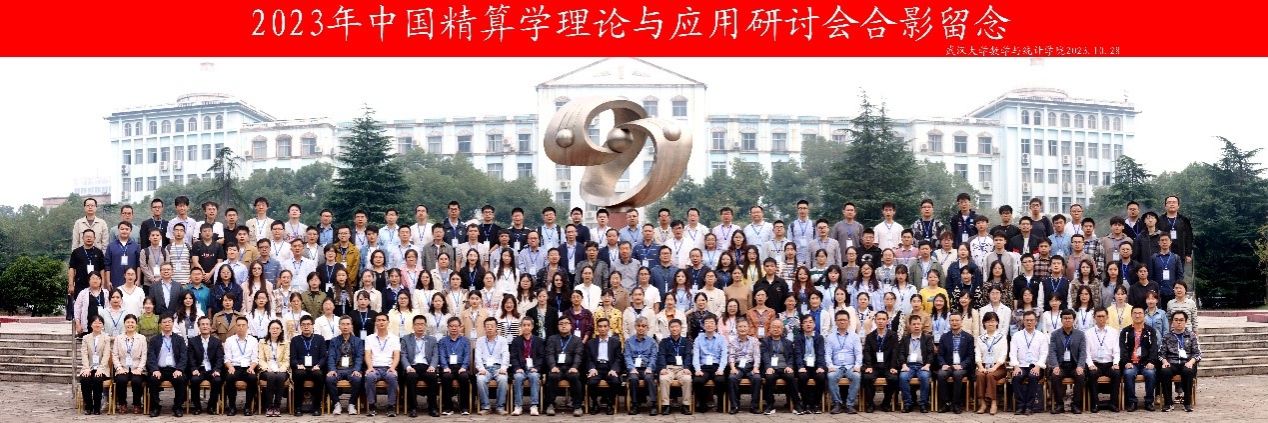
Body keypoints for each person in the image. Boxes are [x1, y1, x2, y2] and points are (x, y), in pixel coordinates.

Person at [1158, 310, 1201, 412]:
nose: (1178, 322)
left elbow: (1198, 354)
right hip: (1172, 363)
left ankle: (1187, 403)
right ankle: (1168, 403)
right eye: (1176, 320)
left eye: (1181, 320)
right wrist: (1164, 362)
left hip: (1187, 363)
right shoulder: (1167, 336)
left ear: (1185, 321)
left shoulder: (1191, 335)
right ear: (1172, 322)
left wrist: (1191, 362)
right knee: (1164, 371)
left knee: (1188, 371)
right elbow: (1161, 353)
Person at [1047, 309, 1088, 414]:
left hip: (1074, 365)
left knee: (1081, 376)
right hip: (1061, 366)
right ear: (1061, 320)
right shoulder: (1055, 334)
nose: (1067, 320)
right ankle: (1059, 404)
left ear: (1074, 320)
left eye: (1070, 318)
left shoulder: (1080, 334)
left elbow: (1083, 352)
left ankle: (1075, 405)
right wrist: (1055, 366)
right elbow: (1052, 351)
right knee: (1055, 376)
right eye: (1065, 318)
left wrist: (1080, 366)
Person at [1119, 306, 1159, 412]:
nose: (1137, 315)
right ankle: (1132, 402)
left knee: (1150, 373)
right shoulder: (1125, 331)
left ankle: (1149, 401)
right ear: (1131, 315)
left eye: (1140, 313)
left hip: (1146, 363)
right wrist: (1126, 362)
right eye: (1135, 313)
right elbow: (1122, 349)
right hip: (1131, 363)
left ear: (1144, 315)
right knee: (1128, 373)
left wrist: (1151, 362)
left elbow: (1154, 348)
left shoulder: (1150, 331)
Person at [400, 314, 440, 417]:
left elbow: (435, 355)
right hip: (412, 366)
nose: (420, 327)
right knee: (411, 377)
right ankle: (413, 408)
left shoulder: (432, 339)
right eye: (417, 324)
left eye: (422, 324)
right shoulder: (406, 339)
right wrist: (408, 367)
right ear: (413, 326)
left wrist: (432, 366)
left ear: (425, 326)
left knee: (432, 377)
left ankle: (432, 408)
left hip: (427, 366)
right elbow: (403, 355)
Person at [1010, 311, 1048, 415]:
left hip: (1035, 366)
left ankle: (1029, 407)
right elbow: (1012, 353)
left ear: (1036, 322)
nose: (1029, 322)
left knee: (1033, 376)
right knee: (1016, 377)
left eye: (1031, 320)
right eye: (1027, 320)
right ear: (1023, 321)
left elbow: (1044, 353)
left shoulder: (1041, 336)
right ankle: (1020, 405)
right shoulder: (1017, 335)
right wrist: (1016, 366)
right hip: (1021, 366)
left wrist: (1038, 366)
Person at [1084, 307, 1121, 412]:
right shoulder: (1088, 333)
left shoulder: (1113, 332)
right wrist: (1090, 364)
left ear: (1107, 317)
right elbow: (1086, 352)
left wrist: (1115, 363)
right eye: (1098, 316)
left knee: (1117, 373)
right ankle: (1095, 404)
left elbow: (1116, 351)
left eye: (1103, 316)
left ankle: (1113, 403)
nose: (1101, 318)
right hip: (1095, 364)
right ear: (1094, 318)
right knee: (1092, 374)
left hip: (1109, 363)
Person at [325, 316, 365, 415]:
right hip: (338, 369)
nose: (345, 327)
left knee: (357, 379)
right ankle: (336, 404)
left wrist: (356, 370)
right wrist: (332, 369)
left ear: (351, 326)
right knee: (329, 379)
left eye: (348, 324)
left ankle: (352, 404)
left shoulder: (358, 341)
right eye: (343, 324)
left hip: (352, 369)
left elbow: (359, 357)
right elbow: (331, 356)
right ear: (339, 327)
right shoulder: (334, 341)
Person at [545, 317, 585, 416]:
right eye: (561, 324)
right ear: (557, 326)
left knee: (575, 376)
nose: (563, 326)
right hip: (557, 367)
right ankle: (550, 404)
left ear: (571, 326)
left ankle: (577, 406)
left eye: (566, 323)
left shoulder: (577, 340)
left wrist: (575, 366)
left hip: (570, 367)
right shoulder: (552, 339)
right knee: (552, 376)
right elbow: (549, 354)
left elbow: (578, 354)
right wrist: (552, 366)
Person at [826, 310, 863, 414]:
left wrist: (857, 365)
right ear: (836, 322)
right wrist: (830, 365)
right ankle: (837, 404)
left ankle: (849, 404)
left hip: (851, 366)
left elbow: (858, 353)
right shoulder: (830, 337)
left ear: (849, 322)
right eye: (839, 320)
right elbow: (827, 354)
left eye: (844, 320)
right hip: (836, 366)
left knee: (856, 376)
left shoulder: (854, 336)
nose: (842, 322)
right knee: (831, 376)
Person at [937, 313, 975, 413]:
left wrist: (962, 365)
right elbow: (940, 355)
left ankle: (956, 403)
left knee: (957, 374)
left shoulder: (968, 337)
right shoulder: (944, 337)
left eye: (957, 320)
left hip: (962, 366)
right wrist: (943, 364)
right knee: (941, 374)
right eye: (952, 320)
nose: (954, 322)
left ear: (961, 322)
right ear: (949, 322)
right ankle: (946, 403)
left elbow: (971, 356)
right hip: (948, 365)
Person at [289, 315, 326, 416]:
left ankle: (316, 407)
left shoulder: (320, 339)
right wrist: (297, 365)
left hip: (315, 367)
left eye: (308, 324)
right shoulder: (295, 340)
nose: (306, 327)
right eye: (303, 325)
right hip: (301, 368)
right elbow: (292, 358)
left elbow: (323, 357)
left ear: (313, 326)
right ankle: (298, 407)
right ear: (300, 326)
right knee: (299, 374)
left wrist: (319, 365)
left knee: (319, 375)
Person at [585, 318, 623, 414]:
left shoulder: (616, 342)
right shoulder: (590, 343)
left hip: (610, 367)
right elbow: (588, 359)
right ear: (597, 328)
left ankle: (610, 403)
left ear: (609, 327)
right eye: (600, 326)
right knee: (591, 382)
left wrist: (614, 369)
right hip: (596, 367)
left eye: (605, 326)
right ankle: (595, 403)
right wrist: (592, 368)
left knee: (615, 381)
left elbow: (618, 358)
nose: (602, 329)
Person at [861, 311, 898, 412]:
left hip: (887, 366)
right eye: (879, 319)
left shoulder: (893, 335)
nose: (881, 321)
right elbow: (867, 352)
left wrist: (893, 366)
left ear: (887, 321)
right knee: (867, 377)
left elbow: (895, 352)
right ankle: (870, 404)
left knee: (893, 378)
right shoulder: (870, 336)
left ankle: (886, 403)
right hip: (874, 366)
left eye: (883, 319)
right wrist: (869, 366)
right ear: (875, 320)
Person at [896, 314, 933, 413]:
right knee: (903, 377)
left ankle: (923, 404)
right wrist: (903, 365)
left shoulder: (927, 338)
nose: (916, 326)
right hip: (908, 366)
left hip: (922, 366)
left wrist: (927, 365)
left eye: (918, 324)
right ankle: (908, 404)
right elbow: (901, 353)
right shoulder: (905, 339)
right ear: (910, 326)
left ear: (921, 325)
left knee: (924, 377)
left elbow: (930, 353)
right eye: (914, 324)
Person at [759, 318, 796, 415]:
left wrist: (789, 366)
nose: (776, 329)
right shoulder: (765, 342)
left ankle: (797, 405)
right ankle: (770, 405)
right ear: (770, 329)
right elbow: (765, 355)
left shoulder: (788, 342)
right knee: (769, 377)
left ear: (782, 329)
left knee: (791, 377)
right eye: (774, 327)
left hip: (784, 367)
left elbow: (791, 356)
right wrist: (768, 367)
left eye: (778, 327)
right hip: (771, 368)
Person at [509, 317, 544, 416]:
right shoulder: (516, 341)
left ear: (532, 327)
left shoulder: (539, 341)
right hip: (521, 368)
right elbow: (513, 357)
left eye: (528, 325)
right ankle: (518, 406)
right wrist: (517, 368)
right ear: (521, 326)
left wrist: (536, 368)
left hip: (533, 368)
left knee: (534, 376)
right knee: (518, 377)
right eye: (524, 325)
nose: (526, 327)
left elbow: (541, 357)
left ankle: (534, 406)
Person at [474, 317, 510, 415]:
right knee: (480, 379)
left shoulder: (503, 340)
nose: (489, 328)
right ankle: (486, 407)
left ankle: (500, 407)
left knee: (503, 379)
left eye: (492, 326)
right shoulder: (480, 340)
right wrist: (481, 368)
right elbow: (477, 356)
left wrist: (503, 368)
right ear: (484, 328)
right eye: (487, 326)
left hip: (498, 368)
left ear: (496, 327)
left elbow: (506, 355)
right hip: (485, 368)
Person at [974, 311, 1007, 415]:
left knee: (990, 375)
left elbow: (1003, 355)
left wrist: (994, 367)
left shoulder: (1002, 337)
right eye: (987, 321)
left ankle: (993, 403)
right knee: (980, 375)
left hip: (998, 367)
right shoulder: (980, 338)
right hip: (983, 365)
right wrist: (980, 367)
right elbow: (977, 354)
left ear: (997, 322)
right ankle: (983, 403)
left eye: (993, 321)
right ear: (984, 323)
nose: (990, 323)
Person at [726, 318, 761, 414]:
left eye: (745, 326)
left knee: (757, 378)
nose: (742, 329)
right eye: (740, 327)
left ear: (748, 328)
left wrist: (755, 368)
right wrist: (733, 368)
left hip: (750, 366)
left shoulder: (754, 341)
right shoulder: (732, 341)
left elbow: (757, 356)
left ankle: (754, 406)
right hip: (738, 366)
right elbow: (731, 356)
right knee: (732, 378)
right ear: (736, 329)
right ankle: (735, 406)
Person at [794, 314, 827, 414]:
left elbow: (821, 353)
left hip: (816, 365)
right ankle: (806, 404)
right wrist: (800, 367)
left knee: (821, 377)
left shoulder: (819, 337)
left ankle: (816, 404)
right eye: (805, 322)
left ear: (814, 324)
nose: (808, 324)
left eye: (810, 322)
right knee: (802, 377)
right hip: (804, 365)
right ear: (802, 325)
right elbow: (798, 354)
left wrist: (820, 366)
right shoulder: (798, 338)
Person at [77, 315, 111, 415]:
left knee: (97, 379)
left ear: (103, 325)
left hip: (102, 368)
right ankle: (88, 406)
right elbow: (84, 354)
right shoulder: (86, 338)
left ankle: (97, 407)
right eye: (95, 322)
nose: (97, 325)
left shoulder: (106, 338)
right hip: (89, 367)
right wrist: (86, 368)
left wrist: (101, 368)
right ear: (91, 325)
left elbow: (106, 355)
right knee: (85, 379)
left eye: (100, 323)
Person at [256, 320, 289, 417]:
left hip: (281, 368)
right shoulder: (262, 342)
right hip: (266, 369)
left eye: (277, 328)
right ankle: (269, 406)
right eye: (273, 328)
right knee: (271, 376)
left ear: (281, 330)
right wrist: (267, 368)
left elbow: (287, 359)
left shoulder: (286, 343)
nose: (275, 330)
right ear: (269, 330)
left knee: (280, 377)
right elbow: (261, 359)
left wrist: (282, 368)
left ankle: (277, 406)